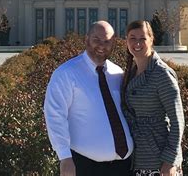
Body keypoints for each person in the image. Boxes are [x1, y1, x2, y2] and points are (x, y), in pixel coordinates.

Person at [44, 20, 133, 176]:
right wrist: (64, 157)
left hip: (124, 165)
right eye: (96, 40)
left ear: (113, 44)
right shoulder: (66, 73)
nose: (101, 45)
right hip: (85, 166)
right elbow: (55, 116)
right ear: (86, 39)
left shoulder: (117, 72)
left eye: (107, 41)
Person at [122, 20, 184, 176]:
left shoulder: (161, 74)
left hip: (159, 160)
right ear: (126, 41)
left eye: (142, 38)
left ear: (151, 39)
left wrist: (170, 160)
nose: (137, 43)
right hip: (137, 157)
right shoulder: (130, 72)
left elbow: (178, 120)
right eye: (132, 38)